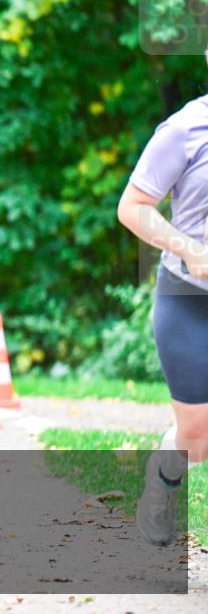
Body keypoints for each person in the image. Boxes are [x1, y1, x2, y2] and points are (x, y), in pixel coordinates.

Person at [117, 50, 208, 547]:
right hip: (189, 296)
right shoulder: (184, 129)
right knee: (198, 436)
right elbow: (133, 207)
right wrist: (189, 248)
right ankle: (165, 476)